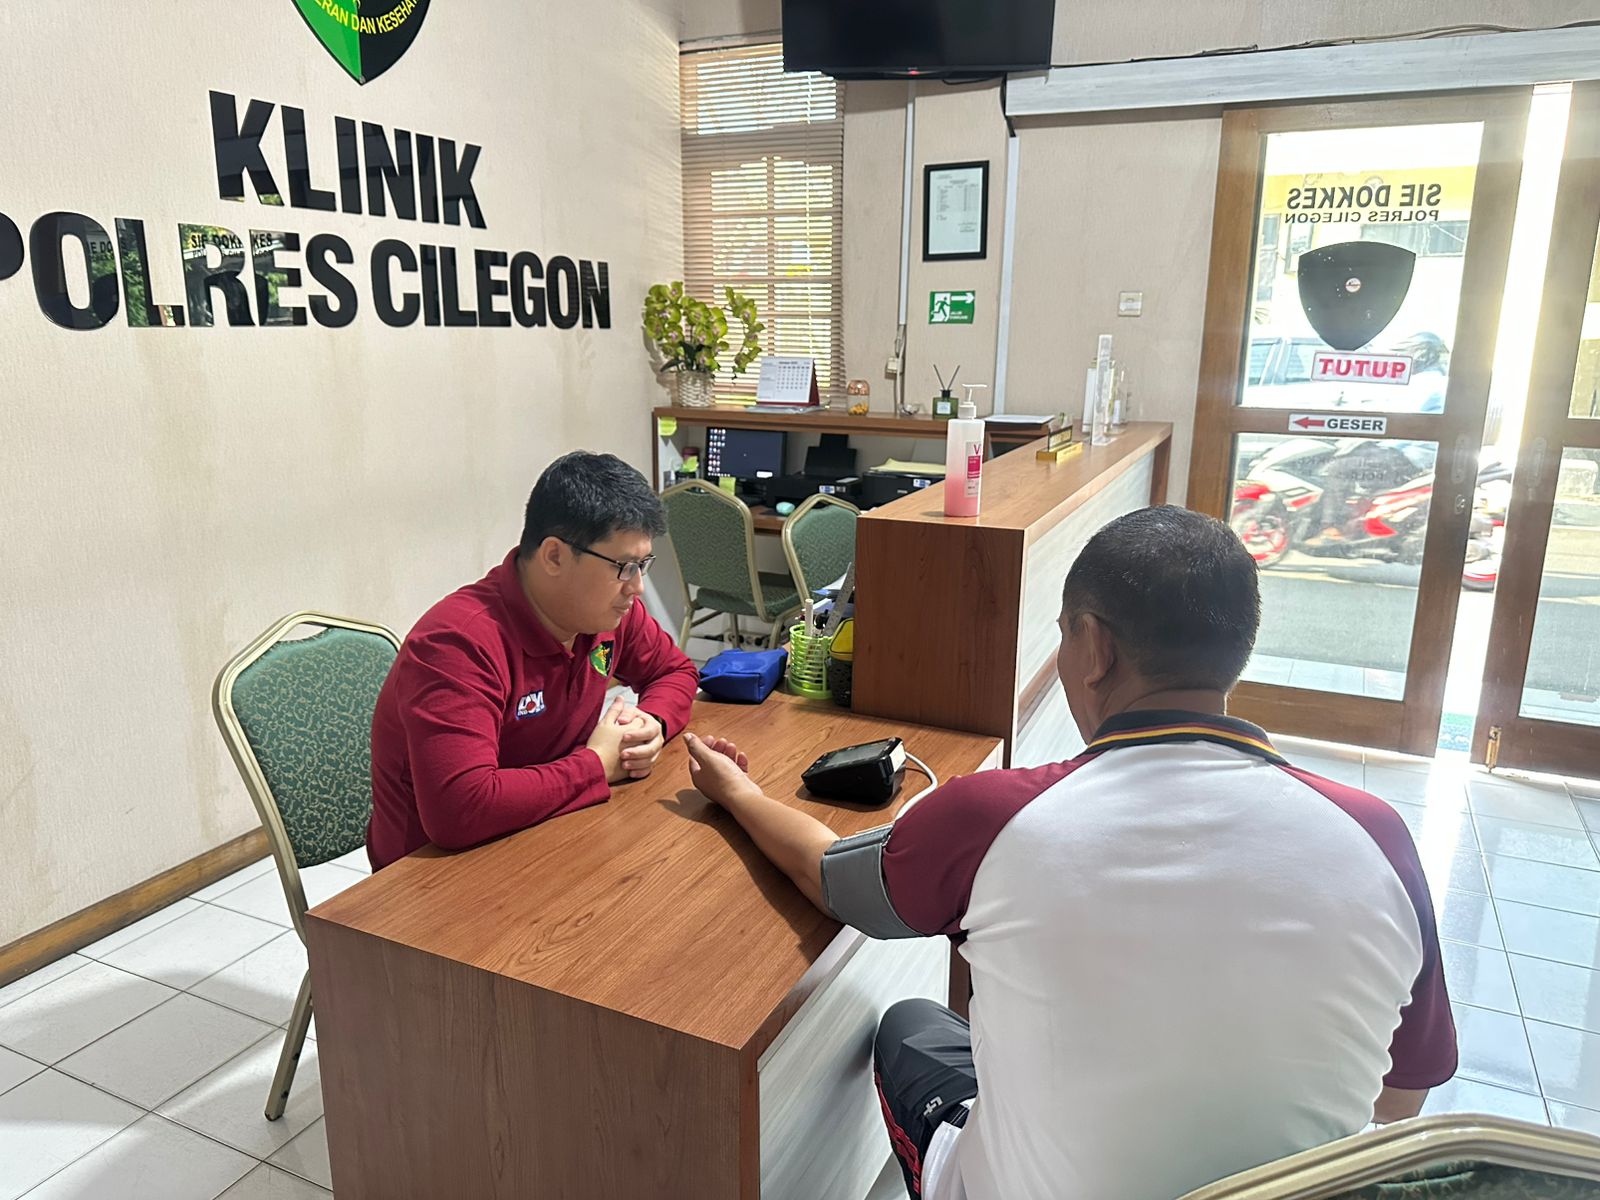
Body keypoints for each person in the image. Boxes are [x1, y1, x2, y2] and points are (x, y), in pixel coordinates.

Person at [684, 505, 1454, 1200]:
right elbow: (1400, 1098)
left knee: (911, 1026)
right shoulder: (1379, 836)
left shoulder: (991, 819)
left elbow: (826, 876)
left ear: (1094, 648)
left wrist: (737, 792)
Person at [367, 452, 698, 870]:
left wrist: (651, 724)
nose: (637, 587)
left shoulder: (606, 613)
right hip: (433, 873)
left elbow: (675, 670)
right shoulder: (457, 643)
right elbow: (459, 809)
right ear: (554, 556)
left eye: (642, 565)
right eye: (624, 567)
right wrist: (596, 765)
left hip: (549, 831)